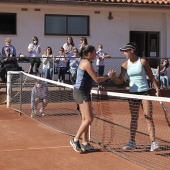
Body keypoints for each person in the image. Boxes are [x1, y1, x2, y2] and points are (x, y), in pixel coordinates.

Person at [111, 42, 160, 152]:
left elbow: (151, 76)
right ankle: (132, 142)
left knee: (148, 117)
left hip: (145, 92)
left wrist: (157, 89)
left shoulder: (142, 61)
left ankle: (153, 142)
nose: (124, 53)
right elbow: (120, 80)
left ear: (132, 50)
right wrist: (113, 78)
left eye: (125, 51)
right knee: (134, 118)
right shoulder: (124, 65)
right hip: (133, 93)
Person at [70, 45, 115, 153]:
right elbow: (96, 79)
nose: (97, 54)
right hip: (80, 92)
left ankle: (85, 143)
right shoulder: (86, 63)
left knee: (85, 118)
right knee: (89, 119)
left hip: (83, 92)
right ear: (89, 53)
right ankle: (75, 140)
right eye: (95, 52)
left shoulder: (86, 62)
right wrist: (109, 75)